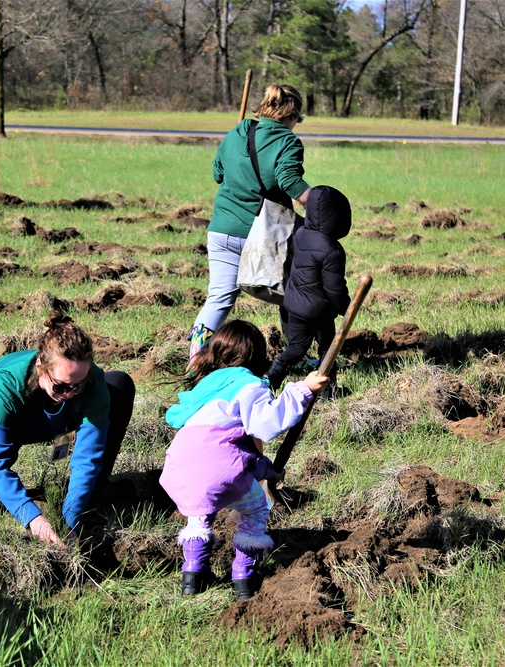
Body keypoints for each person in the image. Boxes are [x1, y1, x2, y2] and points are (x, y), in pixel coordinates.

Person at [159, 320, 329, 600]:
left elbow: (236, 451)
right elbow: (266, 424)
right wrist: (303, 390)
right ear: (257, 357)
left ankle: (192, 574)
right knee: (256, 509)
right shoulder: (249, 385)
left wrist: (266, 469)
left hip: (180, 468)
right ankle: (244, 574)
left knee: (200, 514)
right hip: (221, 468)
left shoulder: (205, 388)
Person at [0, 314, 135, 545]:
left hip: (56, 417)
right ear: (41, 368)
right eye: (61, 386)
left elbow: (87, 455)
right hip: (2, 414)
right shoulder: (3, 387)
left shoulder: (90, 382)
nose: (69, 394)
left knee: (118, 384)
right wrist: (33, 518)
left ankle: (93, 488)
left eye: (78, 386)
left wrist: (72, 515)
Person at [189, 84, 312, 358]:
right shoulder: (288, 141)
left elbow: (218, 174)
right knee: (291, 296)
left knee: (219, 298)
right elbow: (290, 182)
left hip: (221, 230)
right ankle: (297, 358)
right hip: (262, 235)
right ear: (291, 115)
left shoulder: (238, 131)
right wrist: (320, 202)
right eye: (297, 120)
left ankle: (196, 357)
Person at [265, 186, 351, 395]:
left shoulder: (301, 233)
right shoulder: (332, 250)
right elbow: (334, 287)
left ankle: (269, 380)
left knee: (296, 348)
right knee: (327, 349)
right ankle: (328, 390)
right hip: (319, 310)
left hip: (294, 304)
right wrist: (345, 307)